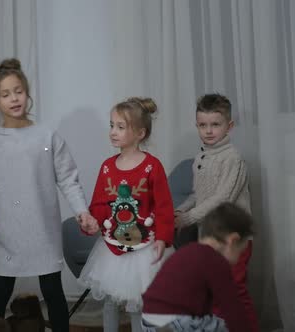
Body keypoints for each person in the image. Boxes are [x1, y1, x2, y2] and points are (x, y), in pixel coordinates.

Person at [0, 58, 97, 332]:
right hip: (8, 233)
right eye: (6, 94)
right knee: (0, 291)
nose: (14, 99)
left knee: (52, 290)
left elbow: (68, 178)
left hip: (43, 230)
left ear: (27, 92)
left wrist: (82, 211)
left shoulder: (46, 136)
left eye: (18, 91)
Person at [79, 97, 174, 332]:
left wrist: (163, 238)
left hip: (145, 247)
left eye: (121, 127)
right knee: (111, 301)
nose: (113, 132)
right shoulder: (107, 167)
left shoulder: (153, 166)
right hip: (113, 247)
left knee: (138, 303)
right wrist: (90, 221)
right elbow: (100, 204)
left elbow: (163, 206)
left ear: (140, 133)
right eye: (112, 125)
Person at [174, 93, 258, 331]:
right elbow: (199, 195)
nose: (209, 131)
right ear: (197, 125)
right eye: (203, 125)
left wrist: (188, 218)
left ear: (229, 126)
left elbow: (222, 198)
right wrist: (179, 212)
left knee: (234, 291)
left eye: (215, 125)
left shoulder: (233, 159)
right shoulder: (201, 156)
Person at [142, 202, 254, 332]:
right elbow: (232, 308)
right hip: (175, 322)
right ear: (232, 241)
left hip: (148, 321)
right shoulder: (216, 261)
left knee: (208, 319)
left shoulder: (186, 252)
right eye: (240, 252)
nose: (237, 259)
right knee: (222, 326)